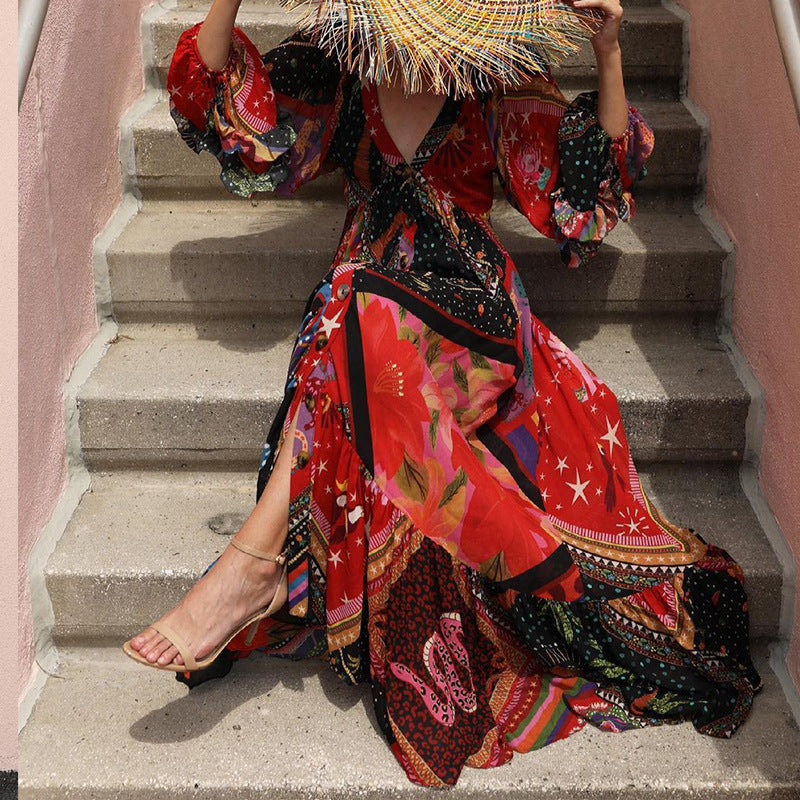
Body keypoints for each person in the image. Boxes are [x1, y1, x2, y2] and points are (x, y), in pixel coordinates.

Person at [123, 0, 762, 786]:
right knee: (351, 311)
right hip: (361, 311)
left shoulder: (499, 80)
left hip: (473, 309)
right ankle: (252, 568)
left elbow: (587, 188)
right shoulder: (341, 67)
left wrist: (607, 51)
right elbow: (233, 113)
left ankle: (252, 565)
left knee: (348, 309)